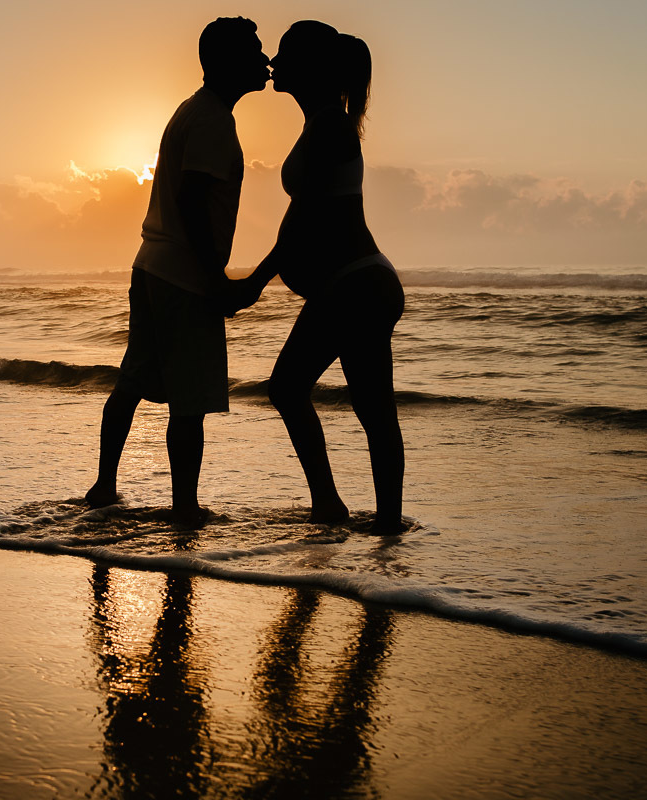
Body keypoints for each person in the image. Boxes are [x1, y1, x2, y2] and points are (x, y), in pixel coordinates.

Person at [84, 18, 270, 526]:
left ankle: (104, 485)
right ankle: (184, 507)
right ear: (229, 62)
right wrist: (214, 276)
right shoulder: (212, 119)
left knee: (134, 378)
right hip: (183, 275)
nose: (265, 58)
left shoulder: (191, 110)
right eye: (255, 50)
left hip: (151, 264)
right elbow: (191, 198)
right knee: (188, 399)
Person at [231, 20, 406, 535]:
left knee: (308, 393)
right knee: (320, 396)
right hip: (352, 284)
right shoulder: (322, 122)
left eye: (283, 53)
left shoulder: (329, 125)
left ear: (309, 67)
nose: (274, 62)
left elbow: (305, 219)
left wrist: (254, 283)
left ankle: (376, 520)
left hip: (355, 285)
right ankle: (352, 512)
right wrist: (257, 279)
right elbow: (303, 219)